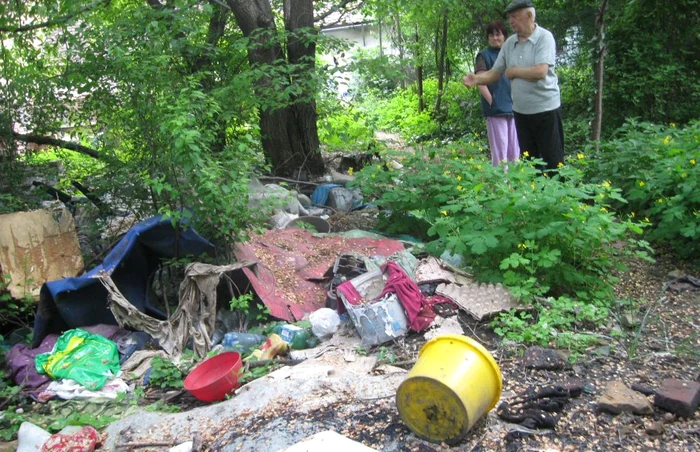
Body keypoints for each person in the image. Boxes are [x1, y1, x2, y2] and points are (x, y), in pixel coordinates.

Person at [463, 0, 564, 171]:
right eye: (510, 17)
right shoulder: (510, 43)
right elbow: (495, 73)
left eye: (515, 17)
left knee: (552, 160)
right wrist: (476, 79)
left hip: (546, 110)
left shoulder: (544, 37)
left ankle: (558, 196)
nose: (511, 21)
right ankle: (534, 196)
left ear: (529, 16)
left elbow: (540, 71)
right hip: (521, 113)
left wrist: (514, 72)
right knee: (530, 161)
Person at [475, 20, 520, 166]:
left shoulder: (511, 53)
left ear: (504, 36)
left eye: (498, 34)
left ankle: (515, 184)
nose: (495, 38)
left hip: (514, 107)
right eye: (492, 35)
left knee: (515, 150)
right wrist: (492, 101)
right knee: (501, 151)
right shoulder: (483, 55)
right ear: (488, 38)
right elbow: (480, 81)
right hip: (496, 110)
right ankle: (501, 185)